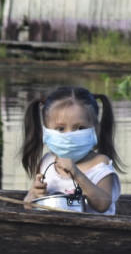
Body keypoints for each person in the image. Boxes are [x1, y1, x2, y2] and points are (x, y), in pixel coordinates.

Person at [22, 86, 123, 215]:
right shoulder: (47, 162)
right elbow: (29, 202)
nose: (69, 136)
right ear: (46, 131)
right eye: (60, 129)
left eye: (80, 128)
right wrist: (34, 196)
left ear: (96, 129)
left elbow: (103, 205)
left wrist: (76, 173)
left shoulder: (100, 164)